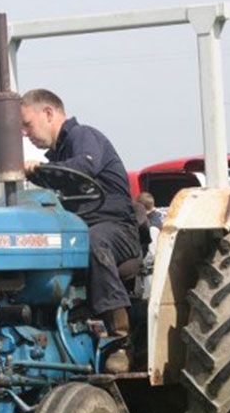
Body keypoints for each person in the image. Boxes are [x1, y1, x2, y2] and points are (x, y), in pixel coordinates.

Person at [20, 89, 141, 373]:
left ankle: (120, 339)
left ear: (48, 113)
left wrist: (41, 169)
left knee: (93, 242)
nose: (25, 133)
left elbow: (83, 166)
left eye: (27, 124)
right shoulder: (60, 154)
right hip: (82, 226)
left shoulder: (83, 136)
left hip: (116, 229)